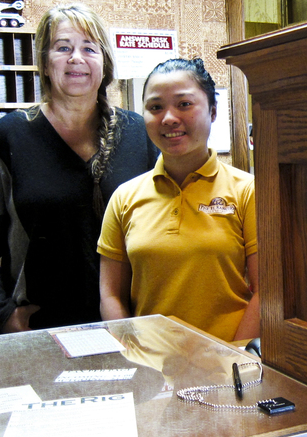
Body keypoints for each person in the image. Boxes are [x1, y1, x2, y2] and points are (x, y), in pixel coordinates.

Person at [0, 3, 159, 332]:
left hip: (131, 328)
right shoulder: (7, 138)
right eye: (63, 47)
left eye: (88, 48)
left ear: (105, 63)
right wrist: (2, 313)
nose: (76, 58)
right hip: (41, 333)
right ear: (45, 64)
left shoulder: (141, 135)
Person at [98, 58, 259, 342]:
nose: (169, 118)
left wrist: (234, 359)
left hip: (228, 370)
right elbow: (111, 294)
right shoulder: (125, 197)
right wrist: (133, 355)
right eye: (155, 107)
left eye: (184, 104)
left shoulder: (248, 191)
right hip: (153, 372)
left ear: (212, 111)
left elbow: (266, 291)